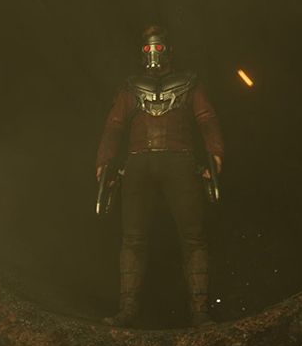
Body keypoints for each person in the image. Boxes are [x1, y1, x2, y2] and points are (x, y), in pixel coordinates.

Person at [95, 25, 224, 327]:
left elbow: (206, 119)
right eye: (147, 48)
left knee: (191, 238)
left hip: (178, 162)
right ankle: (129, 311)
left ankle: (200, 312)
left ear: (168, 50)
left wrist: (215, 154)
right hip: (141, 164)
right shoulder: (131, 87)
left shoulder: (188, 83)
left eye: (158, 47)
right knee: (135, 239)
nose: (153, 53)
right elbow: (114, 126)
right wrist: (105, 161)